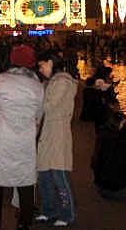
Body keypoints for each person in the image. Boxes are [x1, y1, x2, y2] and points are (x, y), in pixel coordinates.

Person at [0, 44, 44, 230]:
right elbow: (39, 116)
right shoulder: (37, 86)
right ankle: (24, 224)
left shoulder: (1, 80)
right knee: (25, 183)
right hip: (24, 142)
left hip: (2, 141)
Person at [36, 50, 78, 227]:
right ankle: (49, 210)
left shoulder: (62, 82)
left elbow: (49, 106)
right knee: (44, 175)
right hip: (48, 134)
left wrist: (35, 98)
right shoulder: (52, 82)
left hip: (58, 134)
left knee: (59, 176)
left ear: (50, 63)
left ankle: (67, 214)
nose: (40, 69)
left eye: (42, 65)